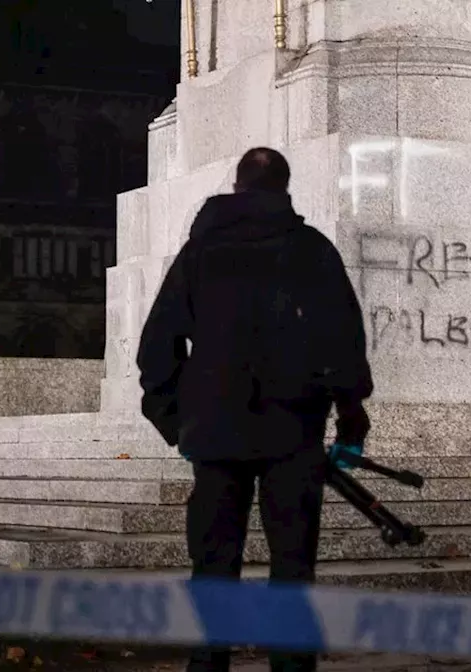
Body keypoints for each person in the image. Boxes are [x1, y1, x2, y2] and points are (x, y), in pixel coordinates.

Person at [136, 147, 374, 672]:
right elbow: (343, 338)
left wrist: (177, 420)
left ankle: (209, 664)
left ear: (238, 189)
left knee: (214, 564)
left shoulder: (199, 255)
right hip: (294, 431)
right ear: (285, 190)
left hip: (216, 434)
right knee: (292, 567)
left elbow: (157, 346)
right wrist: (350, 414)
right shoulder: (311, 250)